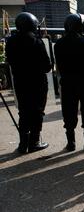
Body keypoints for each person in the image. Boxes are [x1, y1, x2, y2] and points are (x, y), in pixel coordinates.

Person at [5, 12, 51, 154]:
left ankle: (23, 144)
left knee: (23, 112)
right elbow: (47, 66)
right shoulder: (36, 42)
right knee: (37, 112)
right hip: (37, 83)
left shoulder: (11, 42)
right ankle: (34, 142)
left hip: (20, 83)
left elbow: (10, 63)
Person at [54, 14, 84, 152]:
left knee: (69, 112)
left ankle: (71, 143)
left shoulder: (59, 45)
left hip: (68, 82)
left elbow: (59, 66)